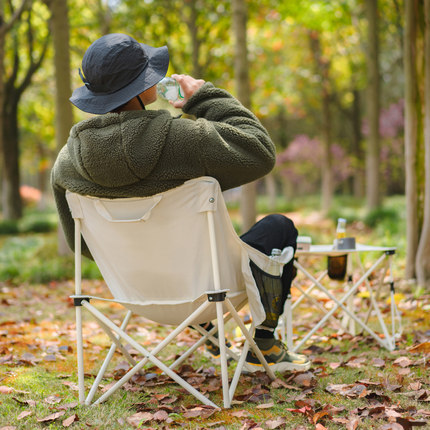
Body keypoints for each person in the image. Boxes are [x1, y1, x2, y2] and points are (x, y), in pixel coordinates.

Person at [51, 33, 310, 373]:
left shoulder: (65, 164)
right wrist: (204, 97)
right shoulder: (185, 140)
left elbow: (82, 245)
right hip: (206, 290)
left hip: (136, 294)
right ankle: (264, 343)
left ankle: (215, 336)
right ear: (142, 89)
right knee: (279, 227)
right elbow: (259, 151)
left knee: (181, 256)